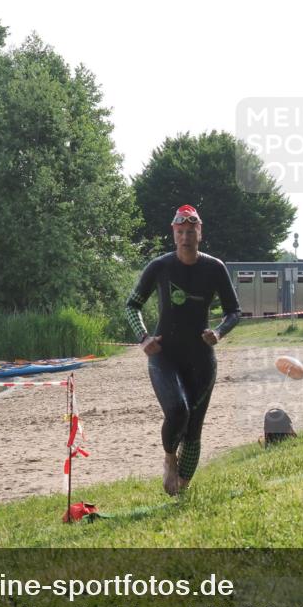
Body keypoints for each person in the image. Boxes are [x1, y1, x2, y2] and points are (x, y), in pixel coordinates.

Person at [124, 204, 240, 495]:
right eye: (181, 232)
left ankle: (182, 490)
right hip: (165, 356)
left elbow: (234, 311)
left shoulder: (214, 268)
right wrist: (143, 337)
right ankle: (168, 458)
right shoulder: (160, 266)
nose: (186, 237)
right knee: (178, 411)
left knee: (194, 430)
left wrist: (218, 332)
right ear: (173, 234)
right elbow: (132, 305)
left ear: (200, 233)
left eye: (191, 231)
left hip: (201, 359)